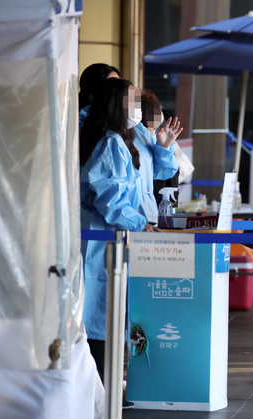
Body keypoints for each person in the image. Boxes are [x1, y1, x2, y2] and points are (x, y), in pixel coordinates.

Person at [79, 78, 181, 388]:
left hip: (124, 235)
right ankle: (102, 392)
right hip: (106, 240)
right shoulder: (110, 142)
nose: (139, 109)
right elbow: (110, 198)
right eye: (133, 102)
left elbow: (155, 175)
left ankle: (107, 387)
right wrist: (138, 223)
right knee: (101, 316)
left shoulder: (128, 138)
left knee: (115, 314)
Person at [79, 65, 180, 225]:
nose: (137, 106)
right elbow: (109, 198)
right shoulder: (105, 138)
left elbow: (159, 173)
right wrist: (137, 223)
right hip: (114, 227)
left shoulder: (139, 131)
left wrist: (164, 148)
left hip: (139, 220)